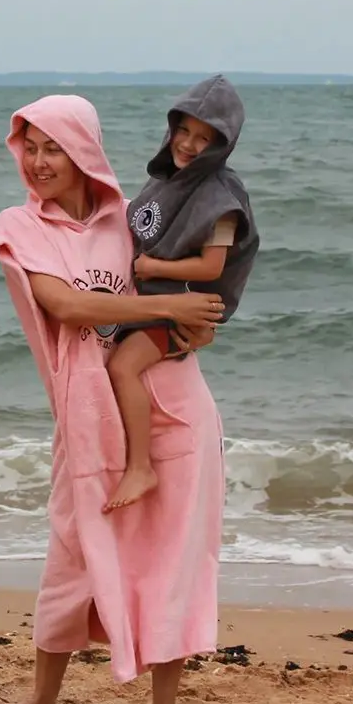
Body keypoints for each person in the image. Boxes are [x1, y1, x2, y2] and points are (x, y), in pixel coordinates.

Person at [0, 95, 226, 704]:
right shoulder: (17, 227)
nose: (37, 162)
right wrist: (171, 312)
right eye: (29, 148)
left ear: (83, 150)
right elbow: (65, 305)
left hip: (173, 406)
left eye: (52, 147)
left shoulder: (136, 222)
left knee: (170, 556)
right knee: (70, 553)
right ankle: (41, 698)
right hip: (87, 418)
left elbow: (206, 287)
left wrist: (193, 316)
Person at [103, 75, 259, 513]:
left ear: (222, 145)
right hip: (151, 302)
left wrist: (155, 267)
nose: (189, 145)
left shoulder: (220, 199)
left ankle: (140, 466)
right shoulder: (171, 182)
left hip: (179, 311)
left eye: (204, 138)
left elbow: (212, 267)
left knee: (122, 367)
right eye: (184, 131)